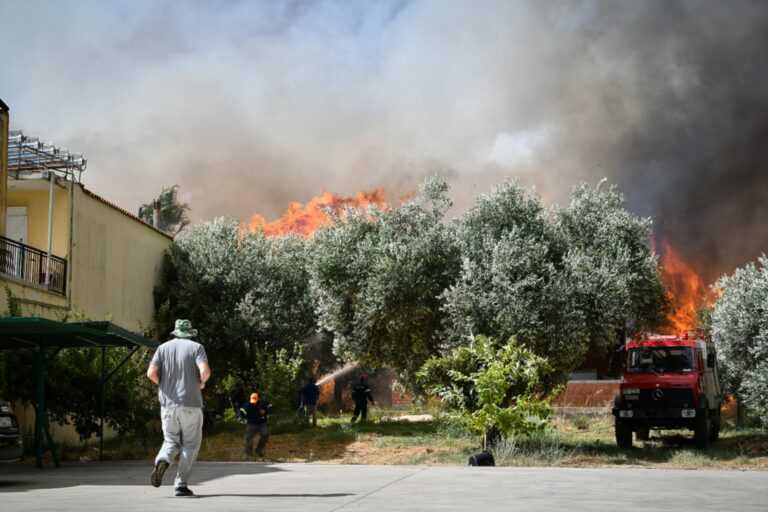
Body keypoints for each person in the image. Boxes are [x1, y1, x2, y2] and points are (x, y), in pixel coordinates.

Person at [146, 319, 210, 498]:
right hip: (191, 404)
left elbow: (150, 373)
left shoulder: (162, 348)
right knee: (190, 444)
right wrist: (201, 383)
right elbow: (204, 372)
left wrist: (165, 385)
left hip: (168, 405)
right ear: (190, 332)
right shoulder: (196, 348)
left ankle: (163, 460)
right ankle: (181, 485)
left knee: (170, 441)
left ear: (175, 332)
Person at [238, 392, 273, 458]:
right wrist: (240, 417)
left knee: (265, 434)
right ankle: (248, 454)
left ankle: (258, 450)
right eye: (252, 400)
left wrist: (266, 411)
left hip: (262, 423)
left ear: (258, 399)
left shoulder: (263, 403)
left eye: (255, 400)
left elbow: (270, 406)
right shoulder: (247, 405)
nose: (253, 402)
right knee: (248, 438)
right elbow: (241, 411)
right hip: (251, 423)